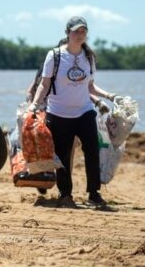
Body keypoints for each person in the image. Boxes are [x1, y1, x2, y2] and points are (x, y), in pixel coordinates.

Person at [28, 16, 118, 209]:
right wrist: (34, 104)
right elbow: (44, 84)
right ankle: (65, 194)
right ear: (67, 33)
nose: (80, 35)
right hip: (58, 113)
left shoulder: (89, 57)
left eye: (83, 31)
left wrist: (110, 96)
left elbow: (91, 87)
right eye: (76, 31)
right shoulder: (55, 55)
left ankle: (94, 194)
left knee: (92, 151)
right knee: (62, 155)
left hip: (84, 111)